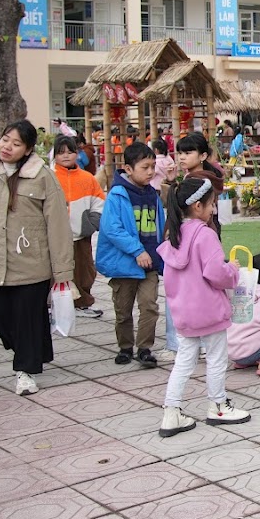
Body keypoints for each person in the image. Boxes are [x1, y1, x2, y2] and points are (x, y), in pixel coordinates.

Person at [0, 120, 75, 397]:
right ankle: (33, 347)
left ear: (28, 149)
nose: (8, 146)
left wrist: (63, 273)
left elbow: (58, 226)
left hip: (32, 265)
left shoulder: (43, 177)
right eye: (5, 139)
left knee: (26, 320)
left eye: (16, 143)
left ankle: (25, 370)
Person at [155, 177, 251, 436]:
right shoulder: (205, 235)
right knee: (216, 359)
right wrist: (232, 270)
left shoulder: (174, 235)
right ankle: (218, 406)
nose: (213, 209)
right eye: (211, 204)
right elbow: (216, 273)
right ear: (198, 206)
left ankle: (171, 412)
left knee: (183, 362)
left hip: (184, 314)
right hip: (210, 311)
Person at [97, 142, 165, 368]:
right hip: (124, 264)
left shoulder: (153, 194)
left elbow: (160, 225)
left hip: (149, 264)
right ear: (128, 168)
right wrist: (137, 250)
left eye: (153, 166)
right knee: (123, 311)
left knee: (149, 306)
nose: (150, 172)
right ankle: (125, 347)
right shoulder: (117, 195)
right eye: (145, 167)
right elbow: (112, 228)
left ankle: (144, 348)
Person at [51, 136, 105, 317]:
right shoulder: (49, 177)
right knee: (54, 270)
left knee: (84, 270)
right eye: (61, 152)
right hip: (55, 236)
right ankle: (52, 304)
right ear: (54, 155)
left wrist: (91, 224)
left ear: (77, 153)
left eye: (70, 152)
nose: (66, 156)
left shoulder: (87, 178)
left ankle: (82, 304)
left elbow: (99, 202)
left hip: (81, 235)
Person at [175, 133, 224, 236]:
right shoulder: (197, 176)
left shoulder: (201, 181)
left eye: (187, 153)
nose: (182, 157)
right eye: (180, 153)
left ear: (203, 156)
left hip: (200, 229)